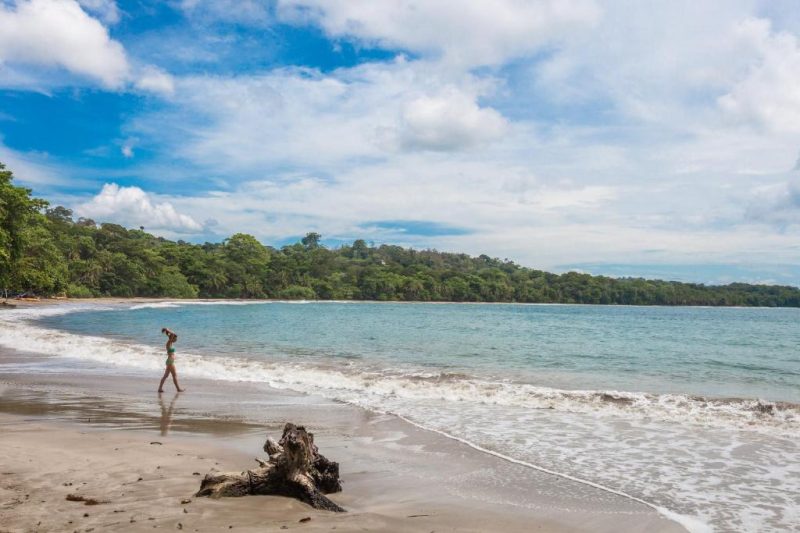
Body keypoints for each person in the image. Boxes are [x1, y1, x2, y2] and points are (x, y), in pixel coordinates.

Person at [158, 327, 185, 393]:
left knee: (166, 376)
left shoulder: (170, 343)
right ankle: (178, 389)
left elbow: (171, 336)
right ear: (172, 338)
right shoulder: (169, 343)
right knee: (174, 375)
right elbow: (172, 334)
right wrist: (167, 330)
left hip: (169, 361)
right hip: (170, 361)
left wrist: (167, 333)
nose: (176, 340)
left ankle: (160, 388)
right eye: (175, 339)